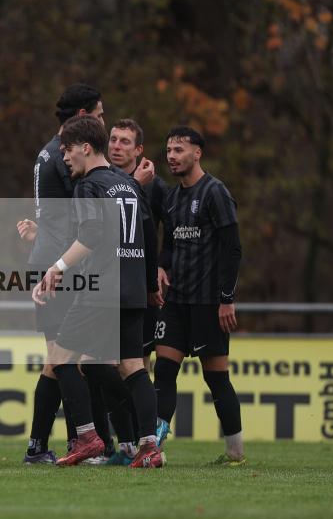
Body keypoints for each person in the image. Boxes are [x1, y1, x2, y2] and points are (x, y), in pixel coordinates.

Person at [33, 114, 163, 468]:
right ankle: (150, 446)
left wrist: (57, 268)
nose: (64, 158)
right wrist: (150, 285)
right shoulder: (130, 184)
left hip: (101, 289)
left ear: (85, 148)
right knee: (133, 367)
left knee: (60, 359)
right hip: (132, 288)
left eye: (68, 151)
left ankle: (89, 436)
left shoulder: (88, 186)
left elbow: (89, 236)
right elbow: (149, 238)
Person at [16, 84, 116, 465]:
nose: (102, 122)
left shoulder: (47, 152)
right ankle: (85, 443)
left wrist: (41, 233)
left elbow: (59, 216)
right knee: (68, 360)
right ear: (82, 118)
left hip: (49, 259)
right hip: (61, 267)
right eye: (99, 115)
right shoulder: (68, 155)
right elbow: (87, 218)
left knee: (60, 360)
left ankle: (41, 445)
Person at [154, 126, 245, 465]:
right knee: (163, 372)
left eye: (178, 150)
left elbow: (232, 248)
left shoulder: (215, 192)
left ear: (197, 153)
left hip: (209, 303)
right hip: (177, 302)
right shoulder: (173, 197)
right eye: (169, 150)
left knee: (216, 377)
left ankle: (235, 452)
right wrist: (163, 266)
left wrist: (226, 298)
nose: (172, 157)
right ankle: (155, 446)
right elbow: (170, 244)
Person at [107, 118, 172, 450]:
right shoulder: (107, 180)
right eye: (114, 139)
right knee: (114, 368)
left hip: (137, 290)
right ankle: (128, 439)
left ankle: (144, 438)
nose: (117, 146)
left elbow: (163, 232)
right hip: (112, 287)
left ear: (139, 149)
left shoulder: (154, 186)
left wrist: (160, 267)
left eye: (125, 142)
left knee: (136, 365)